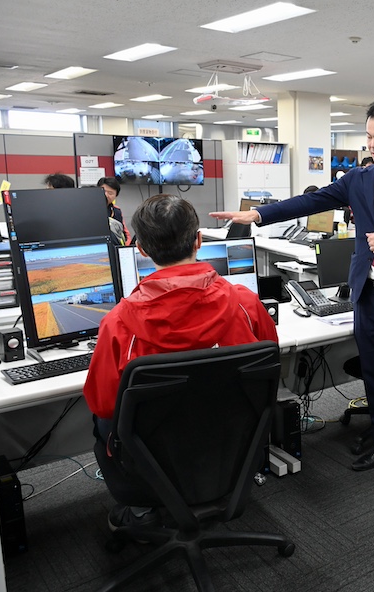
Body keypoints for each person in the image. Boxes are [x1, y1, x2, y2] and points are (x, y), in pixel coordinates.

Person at [210, 100, 374, 476]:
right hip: (367, 293)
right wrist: (258, 214)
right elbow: (311, 200)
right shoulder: (359, 178)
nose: (372, 144)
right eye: (368, 136)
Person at [83, 195, 278, 530]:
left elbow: (102, 404)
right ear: (199, 240)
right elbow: (267, 373)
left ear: (140, 249)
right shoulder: (245, 303)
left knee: (102, 423)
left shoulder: (118, 323)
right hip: (232, 451)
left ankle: (144, 511)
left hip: (153, 464)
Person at [97, 176, 131, 244]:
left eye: (110, 193)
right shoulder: (89, 210)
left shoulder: (116, 211)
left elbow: (125, 234)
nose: (106, 195)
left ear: (116, 196)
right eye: (103, 191)